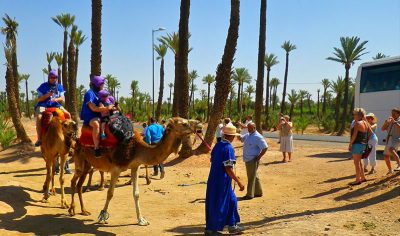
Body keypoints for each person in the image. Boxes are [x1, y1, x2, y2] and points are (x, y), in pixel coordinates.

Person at [205, 124, 245, 235]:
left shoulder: (218, 145)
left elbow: (212, 159)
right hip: (221, 180)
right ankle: (211, 229)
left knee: (231, 201)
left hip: (214, 178)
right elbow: (228, 168)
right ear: (231, 136)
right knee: (219, 203)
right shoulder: (228, 148)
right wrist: (239, 181)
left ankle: (232, 225)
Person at [34, 70, 71, 147]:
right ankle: (39, 138)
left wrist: (56, 99)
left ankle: (69, 136)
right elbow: (39, 99)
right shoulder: (43, 86)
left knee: (68, 114)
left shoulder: (59, 86)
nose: (53, 79)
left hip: (55, 105)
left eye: (55, 77)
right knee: (39, 117)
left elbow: (62, 97)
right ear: (49, 77)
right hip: (43, 105)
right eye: (52, 77)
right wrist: (48, 95)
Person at [80, 75, 113, 157]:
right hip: (91, 117)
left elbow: (110, 101)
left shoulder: (102, 93)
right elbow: (93, 108)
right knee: (96, 124)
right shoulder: (89, 94)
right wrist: (106, 108)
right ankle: (97, 149)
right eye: (102, 84)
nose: (103, 85)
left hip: (102, 115)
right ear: (97, 85)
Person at [239, 122, 268, 200]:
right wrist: (237, 133)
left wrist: (259, 157)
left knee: (251, 177)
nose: (248, 129)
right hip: (247, 159)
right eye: (248, 128)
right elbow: (241, 138)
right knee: (254, 175)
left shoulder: (258, 137)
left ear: (254, 128)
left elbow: (265, 147)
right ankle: (258, 192)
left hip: (253, 159)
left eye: (249, 128)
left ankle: (249, 194)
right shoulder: (248, 135)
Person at [349, 108, 372, 185]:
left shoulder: (357, 123)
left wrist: (350, 144)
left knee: (356, 162)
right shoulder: (366, 123)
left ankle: (357, 180)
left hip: (357, 144)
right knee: (359, 162)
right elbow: (371, 133)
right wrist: (366, 141)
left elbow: (354, 135)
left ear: (359, 115)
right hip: (362, 144)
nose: (353, 116)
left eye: (354, 114)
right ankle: (363, 177)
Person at [381, 107, 400, 174]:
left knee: (391, 149)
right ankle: (390, 170)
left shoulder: (398, 120)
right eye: (392, 113)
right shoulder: (390, 120)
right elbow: (382, 129)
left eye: (394, 113)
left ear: (398, 114)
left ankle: (399, 164)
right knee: (386, 156)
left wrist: (395, 122)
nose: (392, 115)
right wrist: (386, 123)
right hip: (389, 139)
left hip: (396, 139)